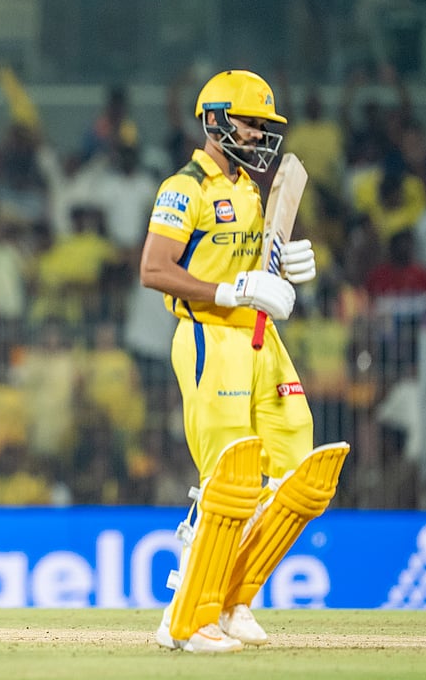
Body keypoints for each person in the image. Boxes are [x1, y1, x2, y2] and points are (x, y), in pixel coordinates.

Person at [139, 69, 350, 653]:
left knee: (301, 472)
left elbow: (257, 267)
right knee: (229, 480)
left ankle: (233, 600)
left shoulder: (251, 189)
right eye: (250, 122)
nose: (258, 134)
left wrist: (287, 265)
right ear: (214, 120)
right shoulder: (185, 188)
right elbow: (154, 270)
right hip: (211, 338)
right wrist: (230, 292)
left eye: (263, 125)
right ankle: (185, 619)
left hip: (261, 341)